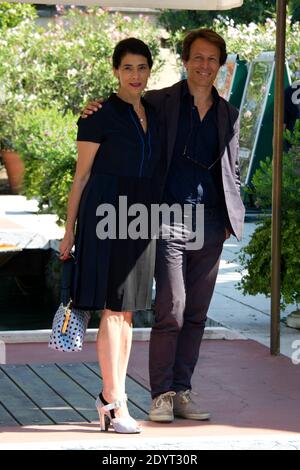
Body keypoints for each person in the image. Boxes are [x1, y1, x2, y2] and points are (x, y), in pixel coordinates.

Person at [82, 28, 245, 423]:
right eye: (198, 58)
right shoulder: (161, 102)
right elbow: (126, 105)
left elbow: (231, 167)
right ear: (186, 61)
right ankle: (161, 396)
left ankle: (183, 390)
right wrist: (95, 108)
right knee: (171, 306)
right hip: (168, 216)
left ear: (220, 66)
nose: (205, 66)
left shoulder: (228, 113)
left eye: (212, 59)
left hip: (210, 221)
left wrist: (227, 220)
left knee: (197, 313)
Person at [59, 38, 161, 433]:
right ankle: (114, 400)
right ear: (116, 70)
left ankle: (111, 399)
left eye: (142, 67)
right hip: (105, 213)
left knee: (129, 310)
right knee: (112, 309)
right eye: (128, 68)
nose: (135, 75)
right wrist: (69, 228)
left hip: (141, 215)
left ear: (150, 70)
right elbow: (81, 176)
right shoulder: (97, 116)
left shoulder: (154, 111)